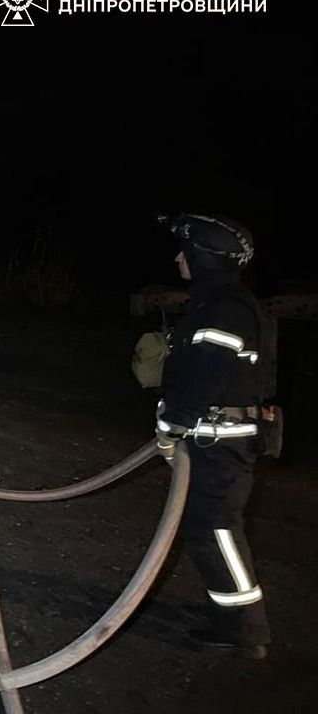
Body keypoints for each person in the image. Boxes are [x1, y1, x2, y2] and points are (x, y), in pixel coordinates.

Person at [155, 212, 276, 659]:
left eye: (185, 251)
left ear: (202, 257)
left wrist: (172, 426)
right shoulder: (228, 303)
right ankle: (228, 613)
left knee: (217, 529)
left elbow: (206, 377)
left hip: (219, 442)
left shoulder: (224, 309)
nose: (178, 258)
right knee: (208, 528)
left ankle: (247, 630)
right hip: (220, 438)